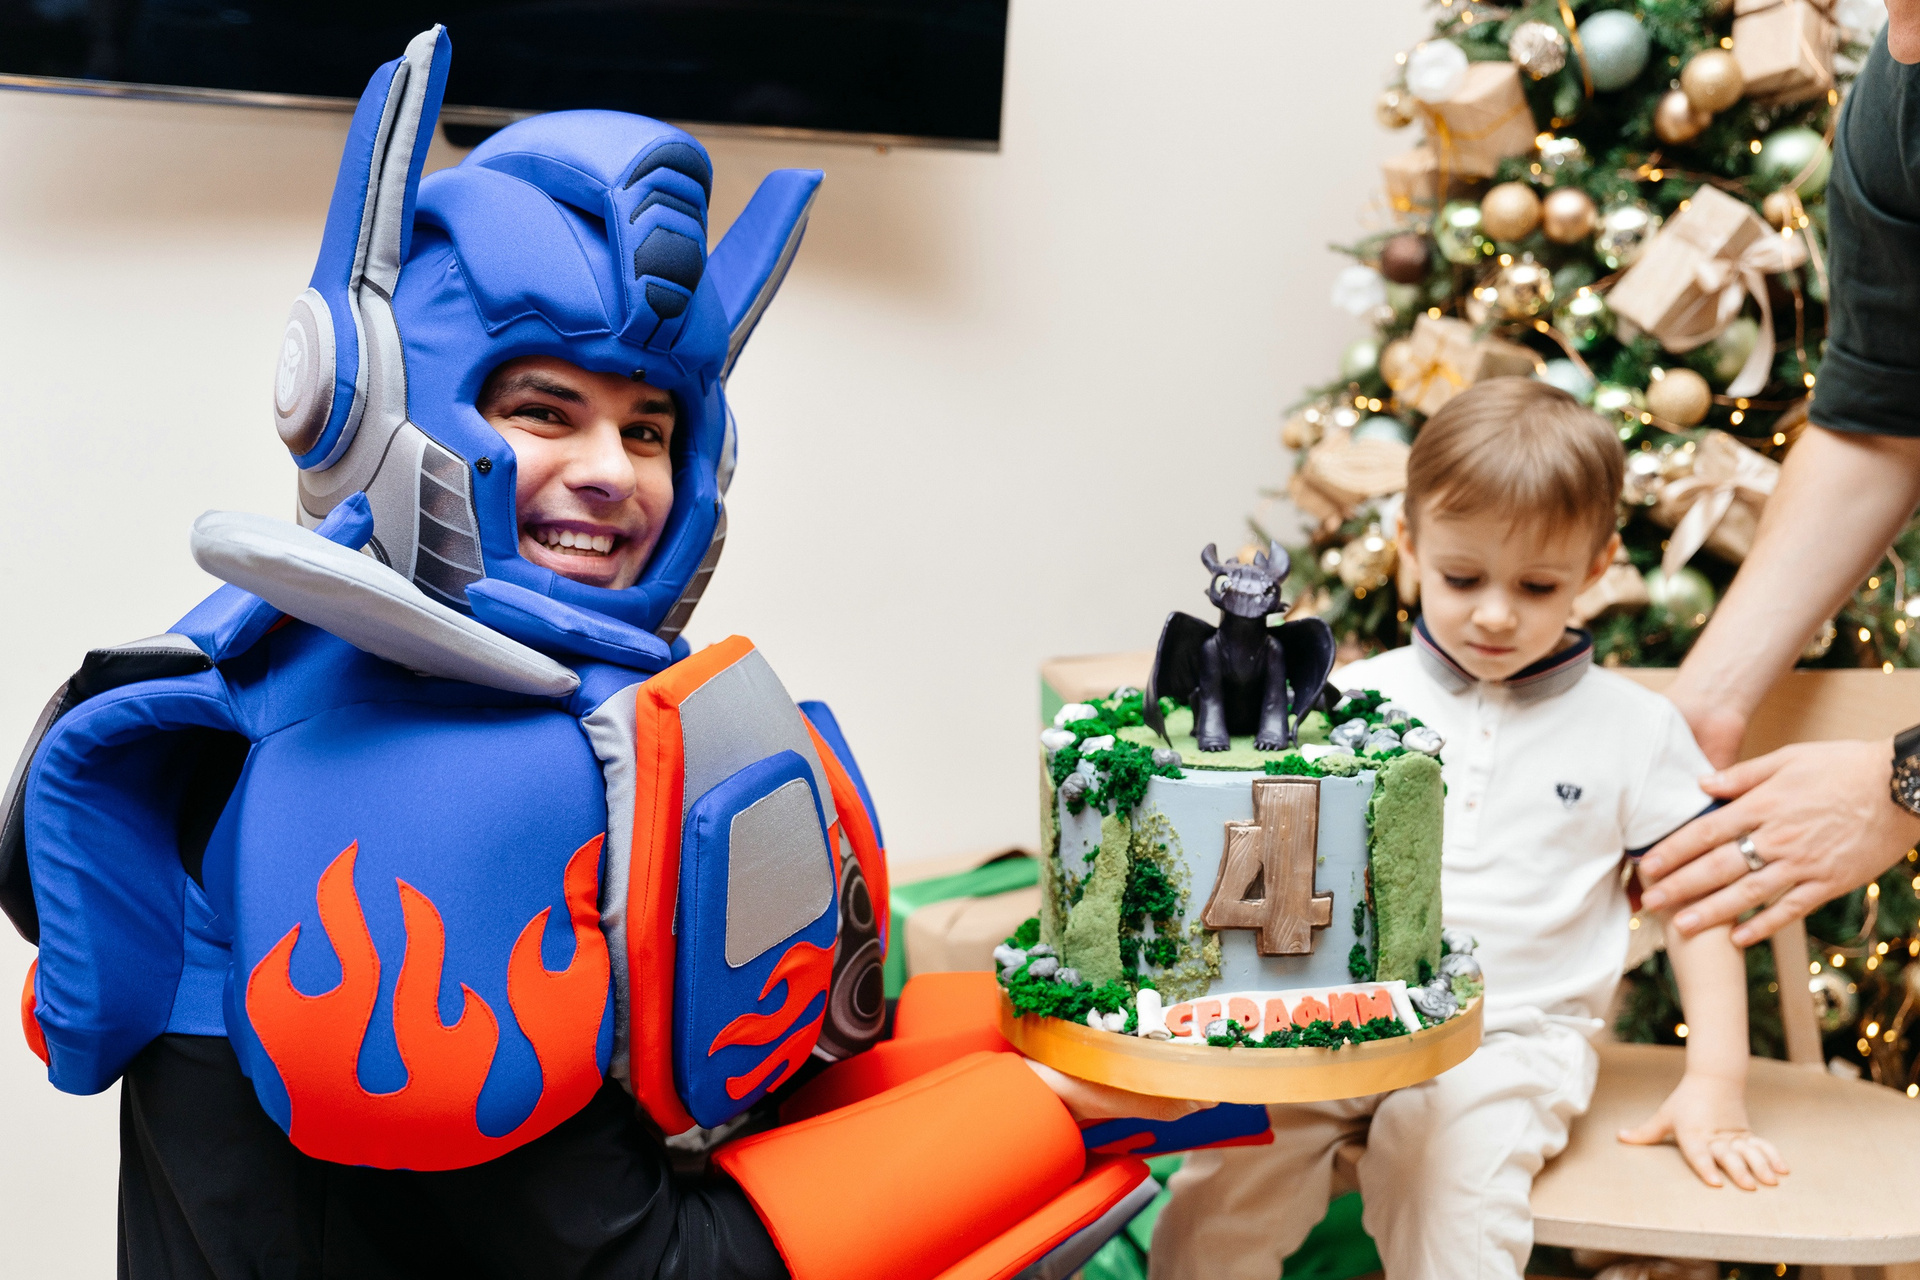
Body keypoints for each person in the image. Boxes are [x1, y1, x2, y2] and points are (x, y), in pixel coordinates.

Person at [2, 28, 1202, 1280]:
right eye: (544, 409)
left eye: (648, 427)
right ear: (375, 400)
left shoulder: (409, 693)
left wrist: (1053, 1033)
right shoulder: (401, 770)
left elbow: (722, 1108)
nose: (611, 473)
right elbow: (648, 1262)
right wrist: (1044, 1118)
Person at [1149, 379, 1785, 1280]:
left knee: (1442, 1171)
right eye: (1461, 578)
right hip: (1341, 1017)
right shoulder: (1352, 700)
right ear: (1409, 545)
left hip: (1511, 1039)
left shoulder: (1639, 731)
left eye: (1537, 585)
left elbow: (1697, 905)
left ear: (1597, 568)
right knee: (1220, 1188)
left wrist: (1716, 1082)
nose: (1494, 612)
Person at [1636, 15, 1920, 945]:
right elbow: (1881, 419)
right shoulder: (1900, 95)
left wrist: (1902, 782)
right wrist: (1708, 699)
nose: (1902, 38)